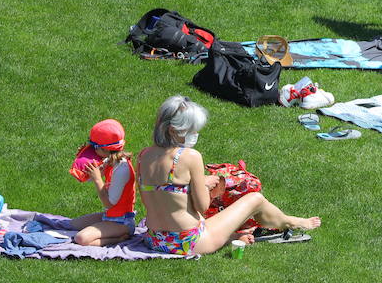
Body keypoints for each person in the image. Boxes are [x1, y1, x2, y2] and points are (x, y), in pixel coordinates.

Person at [136, 95, 320, 256]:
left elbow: (160, 194)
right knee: (255, 199)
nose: (195, 135)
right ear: (172, 130)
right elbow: (202, 207)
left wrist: (195, 185)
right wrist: (205, 186)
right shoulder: (190, 156)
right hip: (189, 242)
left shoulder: (144, 156)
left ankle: (232, 235)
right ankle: (289, 222)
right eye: (191, 131)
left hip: (155, 239)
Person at [68, 118, 137, 246]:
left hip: (122, 222)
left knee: (81, 239)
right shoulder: (109, 160)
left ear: (106, 150)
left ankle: (120, 238)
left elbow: (109, 203)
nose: (92, 149)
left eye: (94, 146)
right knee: (72, 224)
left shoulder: (121, 169)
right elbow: (86, 178)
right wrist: (82, 161)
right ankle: (106, 228)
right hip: (109, 216)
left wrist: (98, 179)